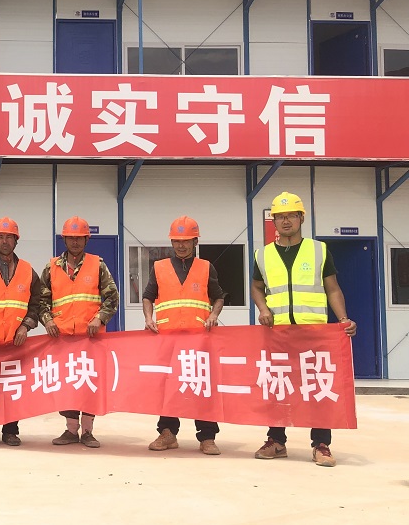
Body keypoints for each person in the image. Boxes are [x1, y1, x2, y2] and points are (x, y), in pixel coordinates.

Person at [251, 191, 357, 467]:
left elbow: (332, 288)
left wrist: (343, 319)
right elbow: (256, 287)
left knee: (318, 387)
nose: (286, 221)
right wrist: (263, 309)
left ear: (301, 218)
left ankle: (321, 444)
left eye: (291, 216)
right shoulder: (263, 255)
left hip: (314, 333)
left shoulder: (319, 250)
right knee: (278, 386)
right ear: (274, 221)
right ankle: (276, 441)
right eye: (280, 216)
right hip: (279, 333)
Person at [142, 216, 225, 455]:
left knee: (202, 385)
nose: (181, 245)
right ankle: (167, 433)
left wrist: (213, 315)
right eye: (177, 241)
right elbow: (148, 296)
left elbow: (219, 296)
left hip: (199, 340)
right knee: (169, 387)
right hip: (168, 339)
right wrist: (148, 318)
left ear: (195, 241)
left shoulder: (206, 267)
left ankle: (207, 437)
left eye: (186, 240)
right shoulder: (159, 267)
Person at [39, 216, 119, 448]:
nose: (75, 242)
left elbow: (112, 297)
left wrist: (99, 318)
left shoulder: (98, 265)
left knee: (88, 383)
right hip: (62, 338)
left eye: (79, 238)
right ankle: (71, 430)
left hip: (91, 339)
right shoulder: (52, 267)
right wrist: (48, 321)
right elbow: (40, 300)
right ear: (64, 239)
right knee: (68, 384)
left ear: (86, 239)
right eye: (71, 238)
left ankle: (88, 431)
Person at [0, 217, 43, 447]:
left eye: (9, 237)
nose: (5, 241)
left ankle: (11, 430)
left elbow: (37, 302)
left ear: (16, 240)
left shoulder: (27, 270)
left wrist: (26, 325)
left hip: (16, 342)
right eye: (0, 237)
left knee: (13, 388)